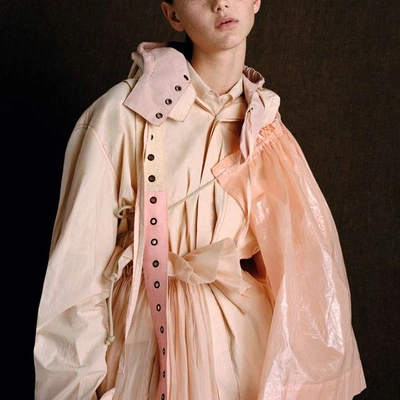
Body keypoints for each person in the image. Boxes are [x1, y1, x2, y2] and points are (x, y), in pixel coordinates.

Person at [34, 0, 367, 399]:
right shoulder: (120, 116)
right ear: (173, 14)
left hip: (244, 354)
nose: (220, 3)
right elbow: (74, 286)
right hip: (144, 350)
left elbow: (302, 278)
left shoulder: (268, 130)